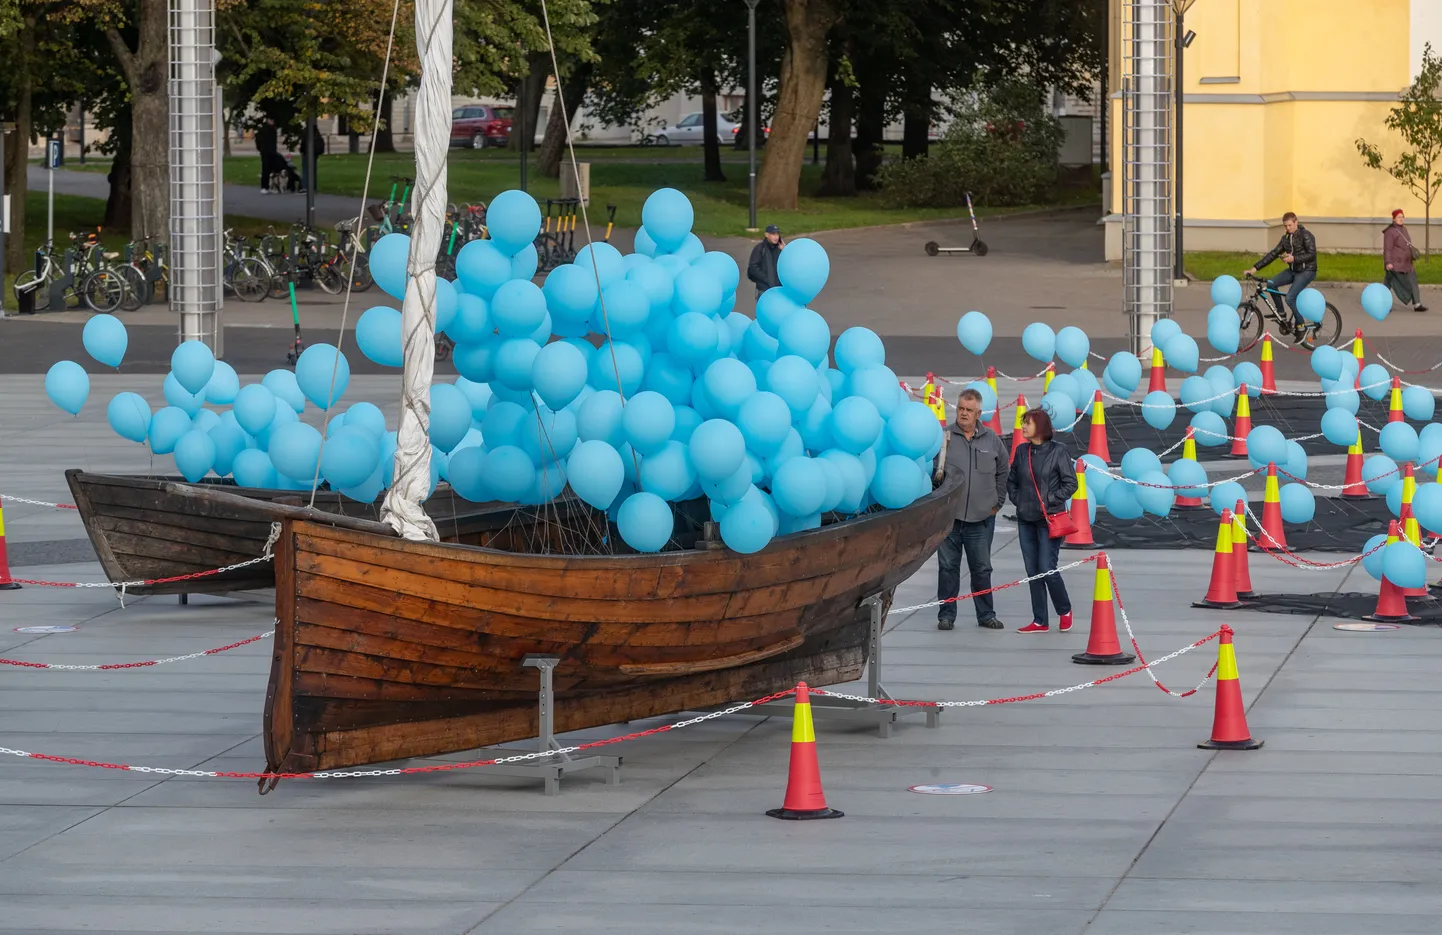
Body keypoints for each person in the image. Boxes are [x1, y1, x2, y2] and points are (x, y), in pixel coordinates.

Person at [934, 388, 1010, 631]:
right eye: (960, 409)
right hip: (950, 520)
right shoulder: (944, 438)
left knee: (981, 569)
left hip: (981, 519)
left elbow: (1003, 471)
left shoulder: (992, 440)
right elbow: (932, 472)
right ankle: (946, 615)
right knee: (947, 569)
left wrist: (997, 503)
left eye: (969, 410)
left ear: (978, 413)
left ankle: (986, 615)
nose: (963, 414)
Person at [1006, 408, 1077, 634]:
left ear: (1041, 427)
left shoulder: (1059, 451)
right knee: (1032, 570)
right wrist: (1018, 500)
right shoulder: (1021, 451)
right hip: (1025, 518)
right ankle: (1040, 620)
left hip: (1050, 519)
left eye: (1027, 423)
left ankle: (1064, 610)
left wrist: (1050, 500)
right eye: (1023, 423)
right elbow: (1012, 481)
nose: (1023, 427)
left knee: (1047, 567)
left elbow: (1070, 483)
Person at [1245, 212, 1318, 327]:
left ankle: (1300, 324)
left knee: (1290, 298)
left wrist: (1294, 258)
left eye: (1290, 225)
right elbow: (1273, 254)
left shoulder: (1306, 235)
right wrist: (1254, 268)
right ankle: (1281, 313)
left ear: (1296, 222)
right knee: (1271, 284)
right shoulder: (1286, 239)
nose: (1288, 228)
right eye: (1285, 226)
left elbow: (1312, 254)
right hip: (1293, 270)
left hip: (1307, 271)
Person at [1384, 209, 1428, 313]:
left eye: (1402, 217)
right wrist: (1388, 262)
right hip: (1395, 263)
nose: (1401, 219)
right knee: (1388, 284)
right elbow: (1388, 249)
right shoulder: (1390, 232)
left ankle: (1417, 304)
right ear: (1394, 219)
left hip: (1407, 262)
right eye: (1398, 217)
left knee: (1413, 281)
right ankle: (1384, 304)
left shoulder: (1404, 229)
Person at [747, 224, 783, 295]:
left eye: (777, 234)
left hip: (779, 289)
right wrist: (766, 279)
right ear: (767, 235)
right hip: (764, 289)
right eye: (773, 234)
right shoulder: (760, 248)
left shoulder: (780, 249)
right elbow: (753, 267)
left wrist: (785, 250)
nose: (776, 237)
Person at [255, 119, 283, 194]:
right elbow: (258, 140)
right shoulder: (264, 130)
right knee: (265, 169)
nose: (272, 122)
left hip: (272, 152)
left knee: (273, 169)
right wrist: (261, 149)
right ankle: (264, 187)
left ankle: (271, 186)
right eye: (271, 120)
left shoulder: (273, 129)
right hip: (266, 152)